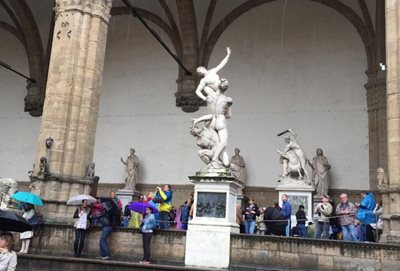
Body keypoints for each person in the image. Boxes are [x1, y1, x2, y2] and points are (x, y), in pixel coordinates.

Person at [192, 78, 233, 168]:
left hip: (211, 120)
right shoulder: (227, 99)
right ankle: (215, 159)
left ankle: (217, 160)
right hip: (221, 120)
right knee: (223, 142)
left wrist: (197, 120)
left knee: (216, 142)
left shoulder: (209, 96)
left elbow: (199, 90)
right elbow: (229, 115)